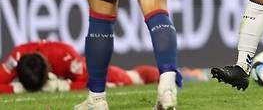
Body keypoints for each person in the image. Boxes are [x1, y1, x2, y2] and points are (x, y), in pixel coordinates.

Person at [0, 40, 159, 94]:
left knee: (131, 79)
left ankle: (178, 73)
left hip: (82, 70)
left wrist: (65, 86)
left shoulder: (65, 55)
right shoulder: (16, 58)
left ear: (49, 68)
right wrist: (17, 89)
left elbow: (94, 83)